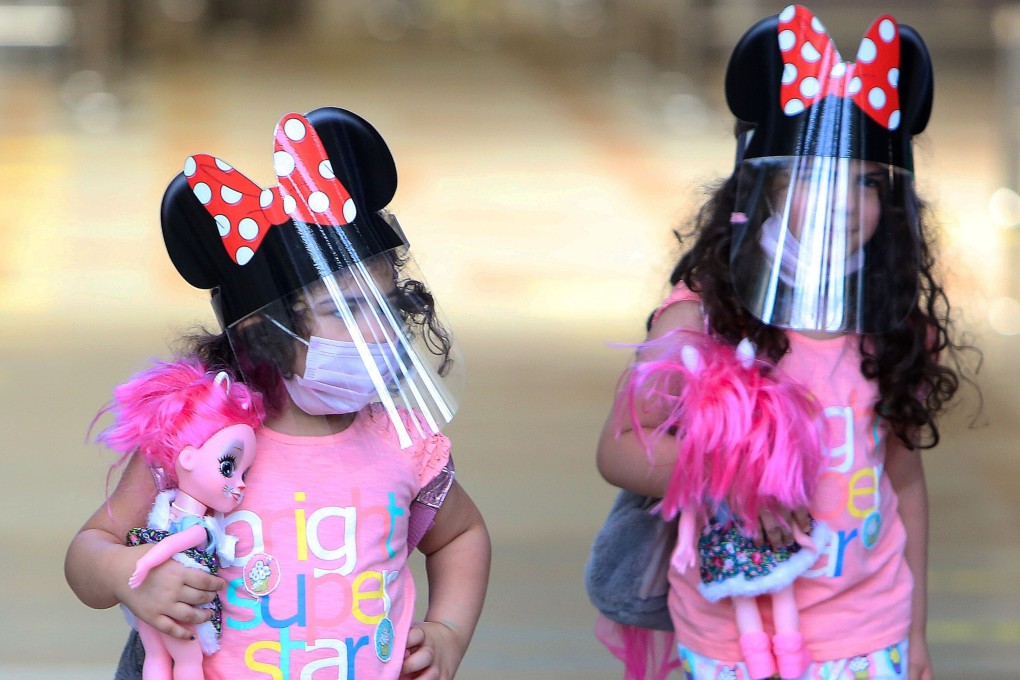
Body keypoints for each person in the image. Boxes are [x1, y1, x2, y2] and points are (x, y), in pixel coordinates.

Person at [596, 5, 973, 680]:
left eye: (866, 182)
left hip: (867, 626)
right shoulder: (700, 320)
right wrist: (735, 474)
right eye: (812, 177)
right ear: (766, 185)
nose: (842, 201)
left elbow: (904, 480)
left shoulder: (894, 328)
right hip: (725, 632)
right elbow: (620, 451)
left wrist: (914, 634)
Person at [66, 107, 491, 680]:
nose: (377, 329)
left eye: (385, 303)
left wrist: (448, 634)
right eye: (345, 309)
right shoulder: (200, 437)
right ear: (261, 329)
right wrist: (129, 574)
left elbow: (461, 534)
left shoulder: (402, 441)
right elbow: (91, 549)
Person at [95, 358, 264, 679]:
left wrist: (141, 566)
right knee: (185, 662)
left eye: (245, 472)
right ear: (187, 457)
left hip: (157, 603)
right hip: (173, 610)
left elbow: (162, 546)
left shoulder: (172, 515)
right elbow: (170, 545)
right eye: (229, 467)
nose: (240, 483)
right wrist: (140, 566)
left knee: (157, 658)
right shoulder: (197, 527)